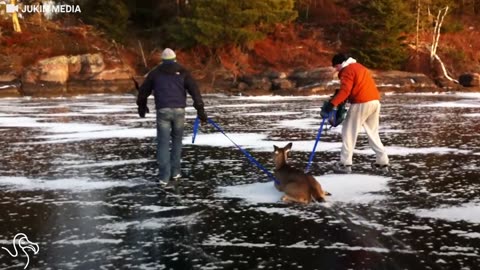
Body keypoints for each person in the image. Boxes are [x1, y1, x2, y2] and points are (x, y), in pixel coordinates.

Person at [136, 48, 208, 185]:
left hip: (163, 111)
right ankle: (175, 173)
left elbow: (143, 91)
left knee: (163, 143)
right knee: (176, 142)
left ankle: (164, 177)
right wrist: (201, 110)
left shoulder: (155, 73)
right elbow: (195, 91)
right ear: (175, 59)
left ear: (162, 60)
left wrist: (141, 106)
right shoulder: (183, 71)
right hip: (179, 111)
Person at [321, 53, 389, 173]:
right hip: (374, 101)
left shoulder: (347, 70)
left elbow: (345, 90)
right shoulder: (359, 67)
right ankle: (382, 161)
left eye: (336, 66)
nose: (335, 69)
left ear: (341, 63)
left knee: (348, 132)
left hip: (361, 103)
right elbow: (356, 87)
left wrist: (332, 104)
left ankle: (345, 164)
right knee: (373, 132)